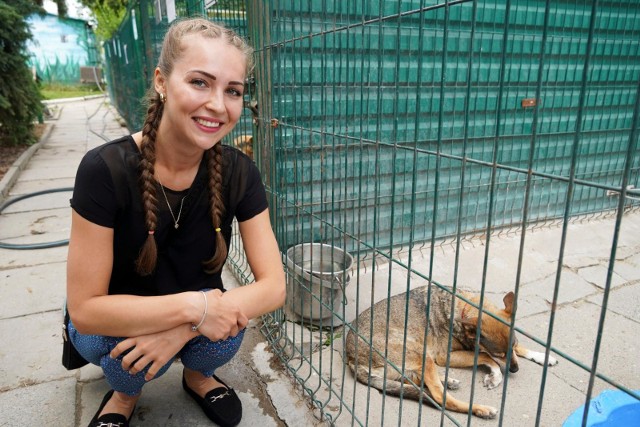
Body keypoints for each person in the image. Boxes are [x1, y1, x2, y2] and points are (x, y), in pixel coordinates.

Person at [66, 18, 285, 427]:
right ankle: (124, 396)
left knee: (228, 327)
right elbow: (86, 310)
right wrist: (197, 307)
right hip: (117, 314)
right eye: (200, 82)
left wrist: (185, 328)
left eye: (233, 90)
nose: (219, 105)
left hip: (189, 311)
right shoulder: (104, 170)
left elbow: (273, 286)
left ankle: (199, 376)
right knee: (117, 351)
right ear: (162, 82)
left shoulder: (239, 172)